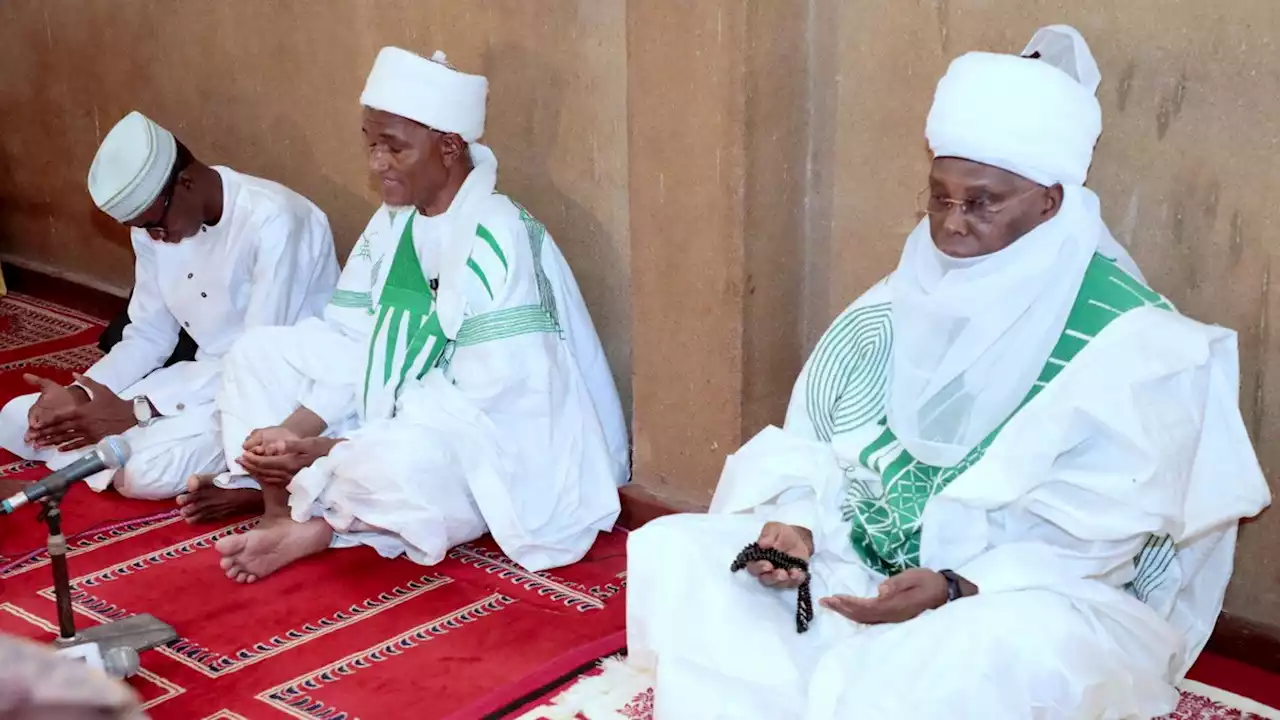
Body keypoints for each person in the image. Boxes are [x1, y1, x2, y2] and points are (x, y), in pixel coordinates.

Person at [624, 26, 1271, 719]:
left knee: (981, 657)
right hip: (864, 560)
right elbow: (813, 439)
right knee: (678, 554)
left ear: (1050, 202)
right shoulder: (900, 296)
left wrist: (957, 586)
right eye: (940, 197)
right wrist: (797, 525)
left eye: (984, 202)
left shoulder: (1131, 342)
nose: (953, 225)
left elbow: (1101, 546)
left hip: (1015, 597)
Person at [198, 47, 628, 581]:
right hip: (382, 415)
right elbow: (353, 342)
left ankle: (322, 520)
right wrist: (290, 430)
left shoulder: (500, 234)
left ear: (448, 147)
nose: (377, 163)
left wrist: (329, 447)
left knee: (395, 465)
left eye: (394, 148)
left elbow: (496, 408)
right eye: (371, 143)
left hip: (479, 447)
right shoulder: (391, 223)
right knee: (255, 355)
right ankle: (282, 509)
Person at [0, 111, 339, 501]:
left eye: (155, 224)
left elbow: (257, 359)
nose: (154, 237)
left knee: (142, 474)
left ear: (187, 183)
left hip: (274, 391)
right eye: (143, 228)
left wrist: (138, 411)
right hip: (199, 378)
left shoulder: (274, 221)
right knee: (16, 420)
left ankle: (244, 481)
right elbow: (149, 334)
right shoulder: (152, 228)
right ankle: (131, 448)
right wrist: (82, 394)